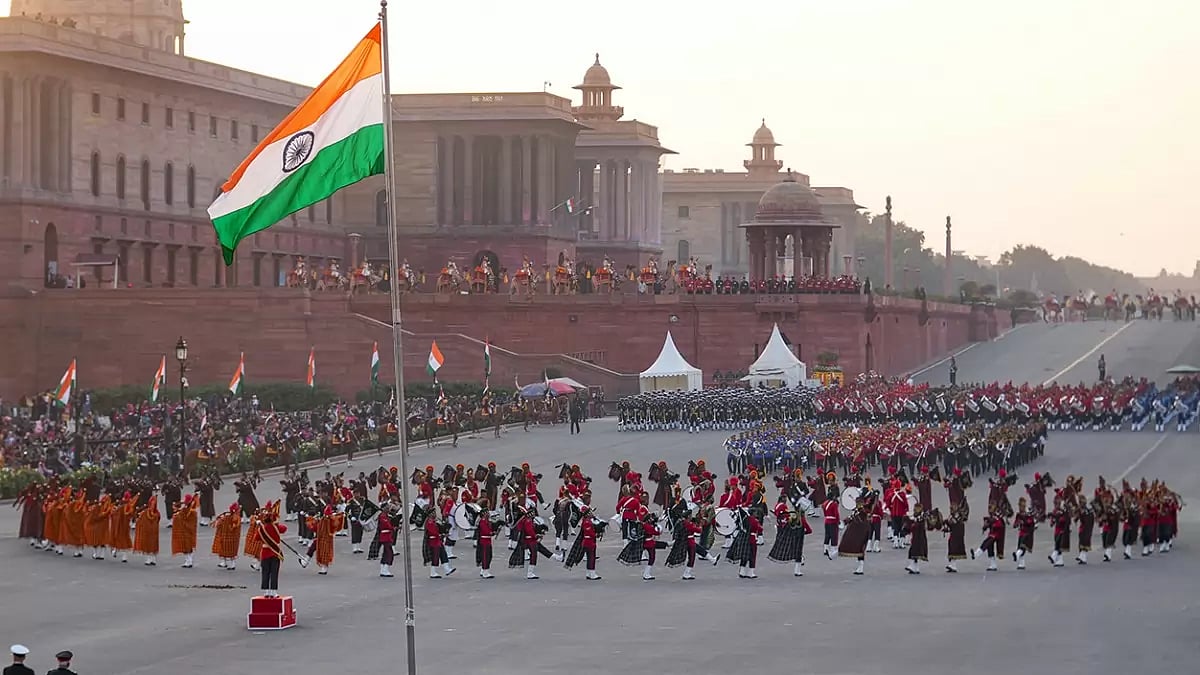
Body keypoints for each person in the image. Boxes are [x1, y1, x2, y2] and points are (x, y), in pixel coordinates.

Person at [257, 507, 287, 597]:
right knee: (274, 572)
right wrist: (276, 523)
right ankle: (273, 591)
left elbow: (256, 538)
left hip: (265, 553)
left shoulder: (262, 529)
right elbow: (284, 528)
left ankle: (266, 591)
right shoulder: (277, 527)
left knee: (265, 572)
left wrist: (260, 526)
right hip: (275, 553)